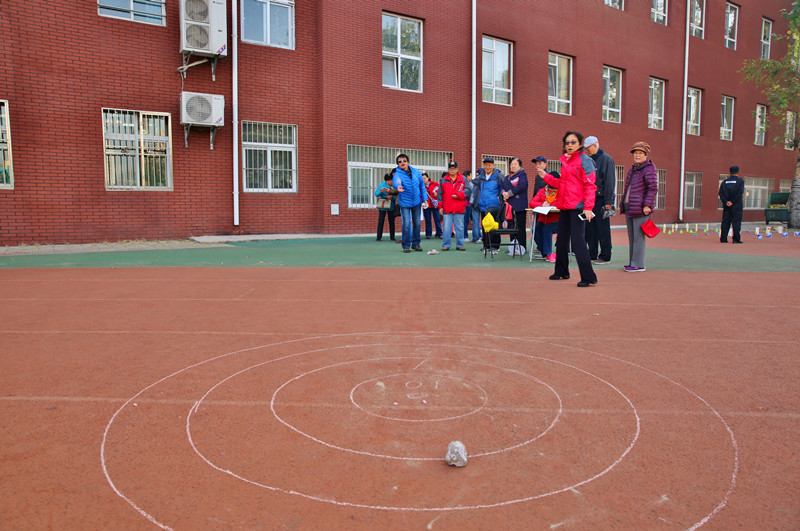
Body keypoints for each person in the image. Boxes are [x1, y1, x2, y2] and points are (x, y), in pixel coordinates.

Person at [537, 131, 598, 287]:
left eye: (573, 142)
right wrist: (546, 177)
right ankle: (562, 271)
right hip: (564, 206)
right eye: (567, 142)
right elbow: (561, 184)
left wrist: (588, 207)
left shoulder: (586, 161)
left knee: (578, 242)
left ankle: (589, 276)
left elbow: (590, 186)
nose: (570, 145)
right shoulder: (566, 162)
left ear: (580, 144)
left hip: (578, 208)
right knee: (562, 240)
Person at [620, 142, 658, 272]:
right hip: (631, 207)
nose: (637, 155)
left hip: (640, 208)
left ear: (645, 155)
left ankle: (638, 264)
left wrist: (647, 204)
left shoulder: (649, 168)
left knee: (638, 238)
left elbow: (652, 188)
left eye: (640, 153)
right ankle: (633, 262)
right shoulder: (633, 169)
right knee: (632, 237)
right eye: (635, 153)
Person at [583, 136, 616, 264]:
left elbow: (610, 181)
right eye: (585, 149)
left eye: (588, 148)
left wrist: (609, 201)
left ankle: (605, 255)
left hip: (602, 198)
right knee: (590, 228)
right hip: (590, 198)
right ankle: (592, 254)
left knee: (603, 228)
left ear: (596, 145)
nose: (587, 151)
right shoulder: (589, 160)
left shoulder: (606, 159)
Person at [392, 153, 429, 253]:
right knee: (406, 224)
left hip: (416, 202)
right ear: (398, 164)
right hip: (404, 203)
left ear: (408, 161)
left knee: (417, 224)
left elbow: (422, 186)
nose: (402, 162)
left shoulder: (416, 172)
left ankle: (416, 244)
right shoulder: (397, 173)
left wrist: (425, 199)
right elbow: (396, 181)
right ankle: (406, 245)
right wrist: (398, 186)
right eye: (399, 161)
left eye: (404, 160)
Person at [472, 157, 503, 254]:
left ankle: (495, 245)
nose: (487, 167)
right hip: (483, 206)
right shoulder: (481, 177)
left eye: (490, 165)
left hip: (494, 206)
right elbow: (474, 187)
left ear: (493, 166)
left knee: (494, 226)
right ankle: (486, 245)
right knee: (485, 225)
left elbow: (503, 188)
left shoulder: (498, 176)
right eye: (485, 165)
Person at [529, 171, 560, 262]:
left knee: (547, 229)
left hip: (557, 220)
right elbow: (531, 203)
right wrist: (542, 204)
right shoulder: (542, 191)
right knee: (535, 230)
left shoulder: (561, 191)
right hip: (543, 219)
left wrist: (550, 204)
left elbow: (562, 203)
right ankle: (546, 253)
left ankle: (549, 253)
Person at [501, 157, 529, 254]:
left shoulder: (522, 175)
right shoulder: (507, 177)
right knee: (511, 227)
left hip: (520, 206)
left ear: (520, 166)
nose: (512, 166)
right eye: (511, 164)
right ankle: (512, 247)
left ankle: (522, 247)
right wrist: (503, 193)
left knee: (520, 227)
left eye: (515, 164)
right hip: (509, 207)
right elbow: (502, 186)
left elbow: (521, 186)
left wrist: (509, 194)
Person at [438, 161, 468, 251]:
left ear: (457, 169)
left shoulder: (463, 179)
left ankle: (460, 244)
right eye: (450, 168)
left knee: (460, 227)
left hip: (459, 208)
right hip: (447, 208)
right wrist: (440, 207)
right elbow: (440, 194)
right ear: (448, 169)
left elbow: (468, 190)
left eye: (454, 168)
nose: (452, 170)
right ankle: (446, 245)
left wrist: (459, 195)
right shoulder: (443, 180)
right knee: (447, 228)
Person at [719, 165, 745, 244]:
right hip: (736, 205)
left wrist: (726, 201)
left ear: (730, 172)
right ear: (738, 172)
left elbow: (721, 193)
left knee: (725, 222)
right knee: (736, 222)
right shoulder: (740, 181)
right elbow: (740, 193)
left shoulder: (724, 182)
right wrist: (732, 201)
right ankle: (736, 239)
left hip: (727, 206)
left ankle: (723, 238)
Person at [530, 156, 549, 258]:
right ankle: (541, 247)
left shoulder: (548, 175)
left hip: (547, 208)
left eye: (540, 163)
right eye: (536, 164)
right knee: (537, 228)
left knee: (544, 228)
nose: (538, 166)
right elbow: (535, 192)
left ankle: (545, 249)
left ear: (545, 164)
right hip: (538, 206)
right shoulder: (537, 176)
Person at [374, 171, 398, 241]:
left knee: (392, 222)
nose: (390, 182)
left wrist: (392, 197)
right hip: (383, 206)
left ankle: (392, 237)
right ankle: (379, 237)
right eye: (389, 180)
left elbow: (397, 195)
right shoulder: (382, 185)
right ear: (386, 181)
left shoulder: (395, 185)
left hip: (391, 206)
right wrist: (380, 192)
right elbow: (376, 194)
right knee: (381, 221)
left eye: (391, 180)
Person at [422, 172, 443, 239]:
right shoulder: (421, 186)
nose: (423, 180)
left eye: (424, 178)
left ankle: (439, 233)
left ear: (428, 178)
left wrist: (437, 192)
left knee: (437, 219)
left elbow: (440, 189)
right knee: (428, 220)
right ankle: (428, 234)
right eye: (422, 179)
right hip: (426, 205)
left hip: (434, 205)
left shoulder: (434, 184)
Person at [461, 170, 475, 241]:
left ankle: (470, 236)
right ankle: (464, 236)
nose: (471, 177)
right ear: (468, 176)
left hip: (469, 204)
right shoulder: (465, 184)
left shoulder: (469, 183)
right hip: (466, 204)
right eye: (471, 175)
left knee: (470, 220)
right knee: (465, 221)